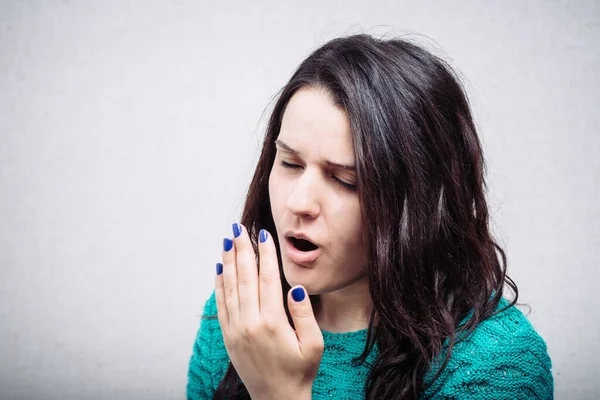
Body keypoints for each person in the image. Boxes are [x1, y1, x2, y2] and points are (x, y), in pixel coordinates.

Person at [186, 33, 553, 399]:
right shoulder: (240, 318)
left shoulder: (496, 363)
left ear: (417, 204)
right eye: (289, 162)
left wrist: (280, 392)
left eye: (345, 181)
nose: (298, 202)